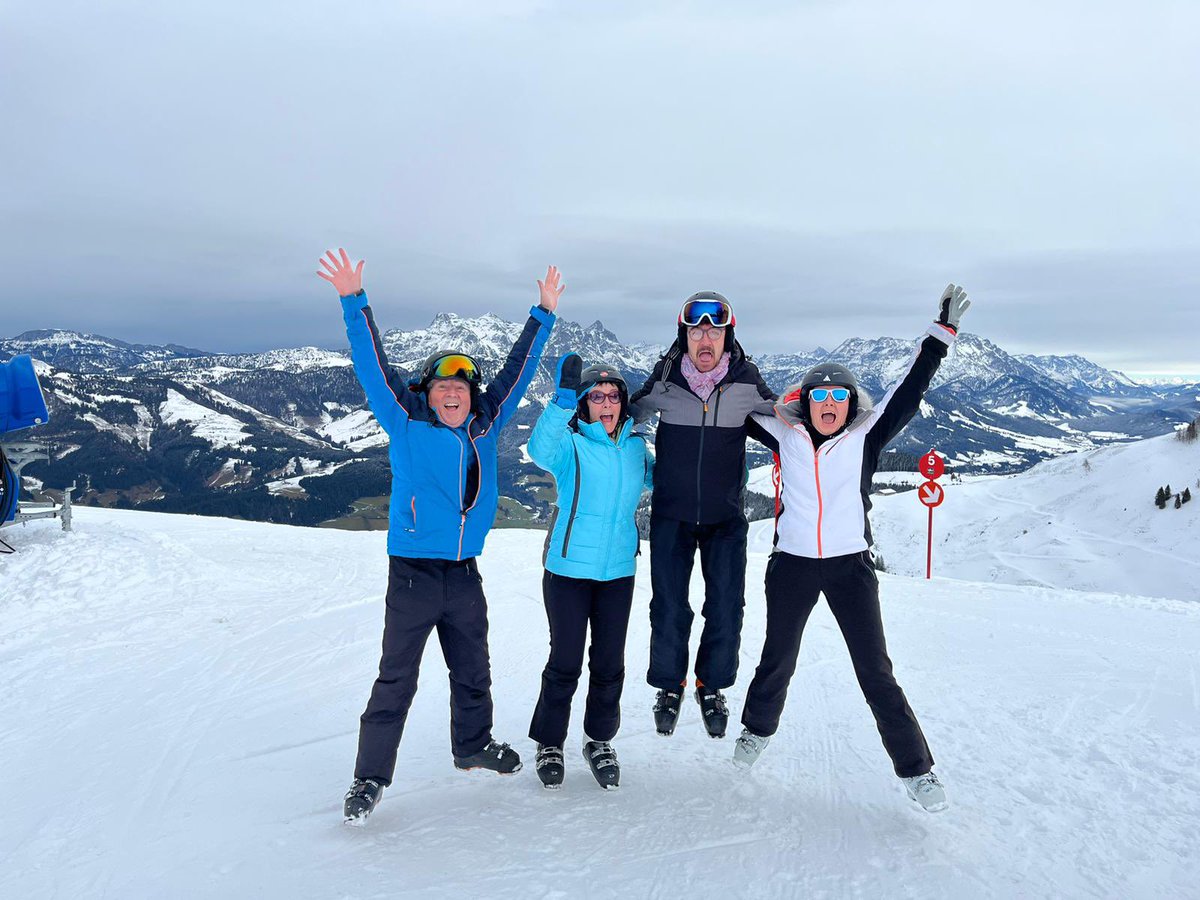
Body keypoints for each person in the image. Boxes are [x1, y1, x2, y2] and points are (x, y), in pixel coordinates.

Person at [316, 248, 562, 825]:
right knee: (396, 678)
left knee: (473, 669)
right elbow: (370, 363)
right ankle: (368, 778)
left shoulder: (487, 420)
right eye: (443, 386)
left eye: (463, 387)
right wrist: (355, 301)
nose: (454, 393)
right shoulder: (403, 421)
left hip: (465, 574)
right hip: (412, 574)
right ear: (426, 392)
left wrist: (543, 313)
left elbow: (518, 370)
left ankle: (471, 745)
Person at [735, 283, 973, 814]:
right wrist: (717, 343)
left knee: (874, 670)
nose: (828, 405)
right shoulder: (782, 434)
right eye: (818, 397)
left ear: (851, 405)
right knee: (778, 658)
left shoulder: (866, 436)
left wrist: (941, 333)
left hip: (849, 568)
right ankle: (756, 731)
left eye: (839, 397)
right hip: (792, 566)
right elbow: (737, 392)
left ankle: (917, 771)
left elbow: (911, 389)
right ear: (804, 403)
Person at [629, 292, 776, 738]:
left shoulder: (747, 381)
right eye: (697, 330)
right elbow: (621, 412)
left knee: (727, 607)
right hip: (672, 514)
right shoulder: (666, 380)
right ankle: (669, 685)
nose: (705, 336)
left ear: (727, 336)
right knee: (670, 607)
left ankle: (711, 686)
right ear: (685, 337)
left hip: (725, 517)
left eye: (714, 329)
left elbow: (786, 422)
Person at [526, 354, 653, 790]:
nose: (606, 403)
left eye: (613, 395)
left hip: (618, 569)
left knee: (609, 664)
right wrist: (559, 404)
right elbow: (538, 449)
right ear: (584, 404)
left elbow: (669, 477)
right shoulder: (570, 445)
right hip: (567, 569)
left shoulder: (636, 448)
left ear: (623, 403)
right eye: (595, 396)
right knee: (564, 662)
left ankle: (599, 740)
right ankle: (549, 743)